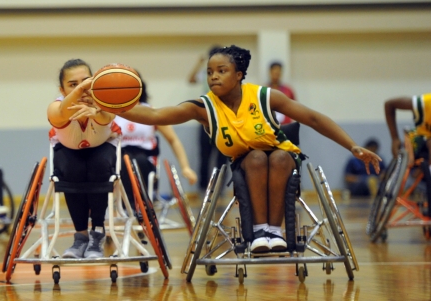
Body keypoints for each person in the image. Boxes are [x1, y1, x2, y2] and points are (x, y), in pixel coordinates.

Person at [80, 45, 381, 253]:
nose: (213, 76)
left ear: (238, 75)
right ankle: (260, 232)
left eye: (221, 71)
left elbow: (312, 118)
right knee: (253, 159)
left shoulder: (265, 96)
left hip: (281, 157)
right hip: (245, 163)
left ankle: (273, 232)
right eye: (210, 72)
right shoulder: (203, 106)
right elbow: (155, 116)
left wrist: (352, 146)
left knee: (274, 156)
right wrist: (110, 104)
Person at [47, 58, 120, 259]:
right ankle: (80, 237)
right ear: (62, 91)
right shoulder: (56, 108)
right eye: (73, 84)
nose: (81, 88)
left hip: (102, 148)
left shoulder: (104, 103)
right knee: (70, 169)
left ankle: (97, 235)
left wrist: (95, 110)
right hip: (69, 150)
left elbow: (107, 117)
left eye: (86, 81)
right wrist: (82, 90)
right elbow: (60, 113)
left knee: (99, 165)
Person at [114, 75, 198, 203]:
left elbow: (173, 140)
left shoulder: (151, 111)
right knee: (118, 162)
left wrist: (185, 167)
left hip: (144, 158)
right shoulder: (112, 113)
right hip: (120, 158)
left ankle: (138, 202)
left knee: (137, 162)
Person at [188, 45, 228, 193]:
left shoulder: (226, 73)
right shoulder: (206, 73)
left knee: (222, 157)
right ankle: (203, 189)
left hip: (223, 120)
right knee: (204, 156)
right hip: (206, 118)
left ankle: (219, 189)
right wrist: (199, 63)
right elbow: (191, 79)